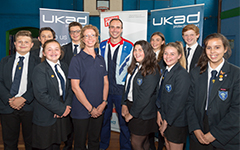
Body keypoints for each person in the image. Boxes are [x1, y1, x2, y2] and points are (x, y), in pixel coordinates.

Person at [186, 33, 240, 150]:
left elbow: (237, 111)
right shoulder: (196, 73)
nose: (212, 51)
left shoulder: (236, 74)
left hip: (226, 135)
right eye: (209, 47)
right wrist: (195, 128)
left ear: (225, 49)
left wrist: (215, 134)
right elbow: (189, 103)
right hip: (199, 131)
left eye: (217, 47)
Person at [68, 24, 109, 150]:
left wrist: (103, 103)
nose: (90, 38)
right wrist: (91, 109)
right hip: (81, 109)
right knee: (80, 143)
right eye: (86, 35)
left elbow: (106, 83)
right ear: (82, 39)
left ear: (97, 38)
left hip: (99, 108)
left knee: (94, 141)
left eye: (93, 35)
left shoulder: (101, 59)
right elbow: (75, 87)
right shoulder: (76, 60)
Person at [0, 30, 40, 149]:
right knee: (9, 142)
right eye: (20, 41)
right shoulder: (4, 61)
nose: (23, 44)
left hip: (30, 107)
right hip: (8, 106)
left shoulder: (38, 62)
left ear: (31, 44)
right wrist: (9, 99)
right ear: (15, 44)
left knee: (31, 142)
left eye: (26, 42)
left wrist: (23, 99)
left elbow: (38, 85)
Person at [31, 39, 72, 149]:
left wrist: (67, 106)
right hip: (46, 115)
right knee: (45, 146)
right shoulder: (39, 69)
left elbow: (69, 89)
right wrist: (60, 109)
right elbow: (41, 94)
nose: (53, 52)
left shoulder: (64, 66)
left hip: (62, 115)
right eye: (49, 49)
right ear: (44, 53)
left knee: (56, 145)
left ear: (60, 52)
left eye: (56, 49)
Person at [99, 18, 133, 150]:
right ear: (108, 29)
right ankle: (103, 146)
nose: (115, 30)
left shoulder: (130, 46)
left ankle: (125, 147)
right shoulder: (101, 45)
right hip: (104, 90)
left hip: (121, 91)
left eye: (118, 27)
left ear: (122, 29)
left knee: (124, 122)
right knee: (104, 121)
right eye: (112, 27)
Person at [121, 40, 160, 150]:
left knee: (136, 143)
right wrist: (124, 104)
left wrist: (131, 114)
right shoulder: (135, 66)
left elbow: (144, 97)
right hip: (132, 107)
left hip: (143, 113)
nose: (136, 53)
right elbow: (127, 87)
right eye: (135, 50)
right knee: (145, 141)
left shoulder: (152, 70)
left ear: (147, 52)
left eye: (140, 50)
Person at [156, 41, 190, 150]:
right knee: (168, 145)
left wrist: (166, 122)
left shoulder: (182, 74)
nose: (168, 57)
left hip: (176, 122)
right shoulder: (166, 71)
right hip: (165, 116)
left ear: (179, 56)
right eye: (166, 53)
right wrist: (159, 113)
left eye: (172, 54)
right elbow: (161, 95)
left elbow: (178, 102)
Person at [149, 31, 166, 150]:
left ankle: (160, 147)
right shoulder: (147, 55)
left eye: (157, 40)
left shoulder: (166, 56)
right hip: (149, 95)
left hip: (161, 94)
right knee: (150, 123)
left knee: (160, 123)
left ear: (162, 42)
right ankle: (151, 147)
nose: (154, 42)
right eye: (153, 40)